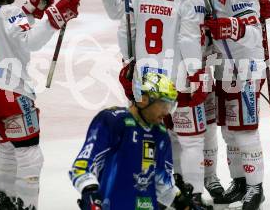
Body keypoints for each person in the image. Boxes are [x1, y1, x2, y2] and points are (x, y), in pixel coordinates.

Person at [87, 0, 214, 208]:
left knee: (155, 136)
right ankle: (195, 195)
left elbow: (124, 26)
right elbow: (188, 40)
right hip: (177, 81)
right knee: (191, 139)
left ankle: (163, 189)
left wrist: (128, 61)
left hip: (143, 81)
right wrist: (197, 73)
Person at [0, 0, 81, 209]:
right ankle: (27, 205)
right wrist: (57, 16)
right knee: (29, 155)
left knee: (7, 151)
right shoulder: (9, 12)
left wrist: (33, 10)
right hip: (10, 93)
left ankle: (6, 202)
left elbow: (8, 32)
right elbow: (29, 41)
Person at [202, 0, 270, 210]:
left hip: (245, 69)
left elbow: (253, 34)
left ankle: (256, 187)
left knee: (245, 130)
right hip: (224, 68)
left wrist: (233, 27)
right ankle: (240, 182)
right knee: (229, 130)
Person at [70, 72, 202, 210]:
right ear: (143, 99)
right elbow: (82, 166)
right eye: (163, 104)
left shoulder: (161, 134)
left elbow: (162, 183)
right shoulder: (113, 121)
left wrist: (182, 202)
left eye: (170, 106)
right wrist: (89, 192)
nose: (167, 112)